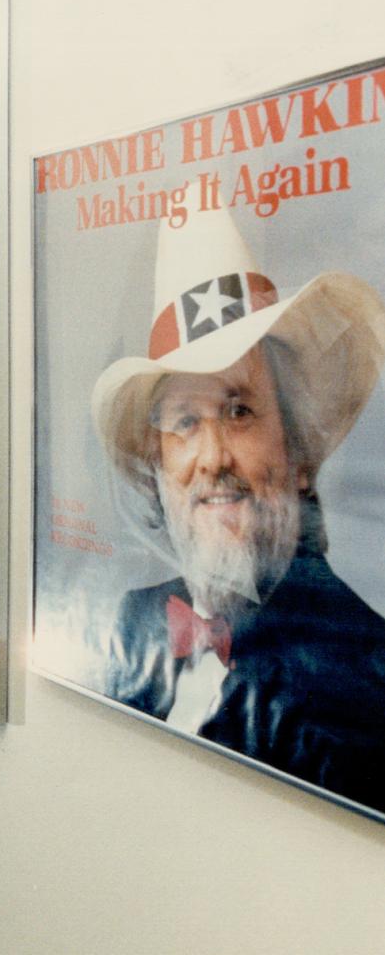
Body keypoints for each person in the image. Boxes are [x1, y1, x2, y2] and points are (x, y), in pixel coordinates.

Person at [91, 203, 385, 810]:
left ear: (298, 453)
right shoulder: (134, 621)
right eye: (185, 422)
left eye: (238, 411)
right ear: (160, 471)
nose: (212, 457)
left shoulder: (366, 675)